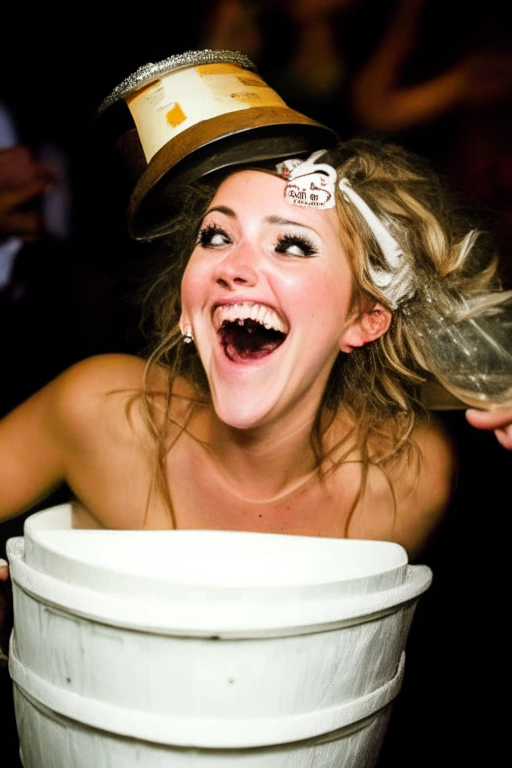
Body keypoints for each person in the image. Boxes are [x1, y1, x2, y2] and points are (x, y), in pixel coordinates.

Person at [0, 131, 510, 571]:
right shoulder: (97, 412)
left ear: (364, 319)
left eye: (291, 245)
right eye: (216, 236)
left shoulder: (407, 478)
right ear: (187, 308)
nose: (231, 265)